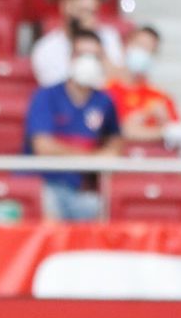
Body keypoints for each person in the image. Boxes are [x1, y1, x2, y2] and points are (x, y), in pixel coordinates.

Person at [24, 30, 122, 222]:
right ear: (71, 58)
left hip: (84, 190)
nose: (88, 61)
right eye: (82, 55)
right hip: (47, 183)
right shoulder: (46, 96)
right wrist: (93, 158)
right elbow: (43, 147)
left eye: (94, 56)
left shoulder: (104, 101)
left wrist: (110, 152)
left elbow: (115, 141)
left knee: (105, 210)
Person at [31, 0, 123, 87]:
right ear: (65, 8)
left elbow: (122, 81)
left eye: (92, 12)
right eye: (82, 10)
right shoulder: (46, 47)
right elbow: (55, 90)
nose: (87, 17)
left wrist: (97, 47)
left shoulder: (108, 37)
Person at [106, 25, 181, 144]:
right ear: (126, 46)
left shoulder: (160, 97)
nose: (143, 53)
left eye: (149, 50)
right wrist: (160, 130)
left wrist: (164, 122)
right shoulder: (105, 92)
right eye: (140, 46)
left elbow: (178, 134)